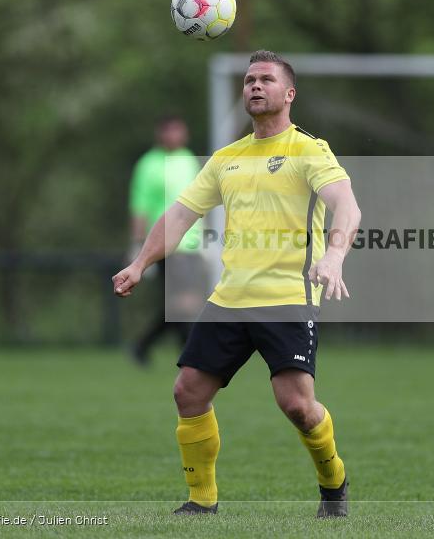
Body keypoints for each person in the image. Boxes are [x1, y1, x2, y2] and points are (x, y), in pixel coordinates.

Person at [112, 50, 361, 518]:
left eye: (266, 79)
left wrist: (334, 255)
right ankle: (201, 501)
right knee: (188, 391)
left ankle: (333, 480)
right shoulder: (226, 159)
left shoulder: (309, 149)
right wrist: (140, 263)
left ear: (289, 94)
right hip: (229, 299)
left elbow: (347, 206)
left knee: (297, 407)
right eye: (248, 80)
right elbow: (181, 215)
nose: (254, 86)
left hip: (288, 297)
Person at [127, 116, 208, 365]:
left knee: (179, 303)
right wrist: (137, 245)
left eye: (180, 131)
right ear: (161, 134)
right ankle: (189, 356)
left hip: (193, 242)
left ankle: (143, 345)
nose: (176, 136)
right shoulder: (149, 165)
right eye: (171, 131)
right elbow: (139, 207)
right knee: (185, 300)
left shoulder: (189, 160)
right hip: (166, 243)